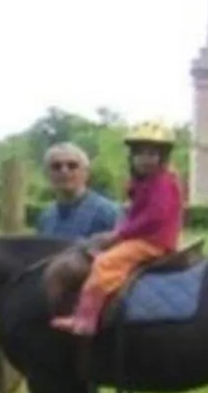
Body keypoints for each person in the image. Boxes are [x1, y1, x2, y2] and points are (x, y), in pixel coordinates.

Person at [51, 121, 184, 338]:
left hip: (153, 241)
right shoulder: (146, 183)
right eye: (140, 154)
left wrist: (119, 234)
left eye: (152, 154)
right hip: (144, 238)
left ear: (163, 157)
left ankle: (86, 319)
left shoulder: (163, 183)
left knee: (105, 264)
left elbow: (152, 218)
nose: (145, 159)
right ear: (132, 157)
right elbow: (134, 215)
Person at [34, 141, 121, 240]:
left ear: (86, 172)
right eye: (56, 167)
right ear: (47, 174)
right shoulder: (46, 217)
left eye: (72, 166)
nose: (64, 171)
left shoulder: (108, 213)